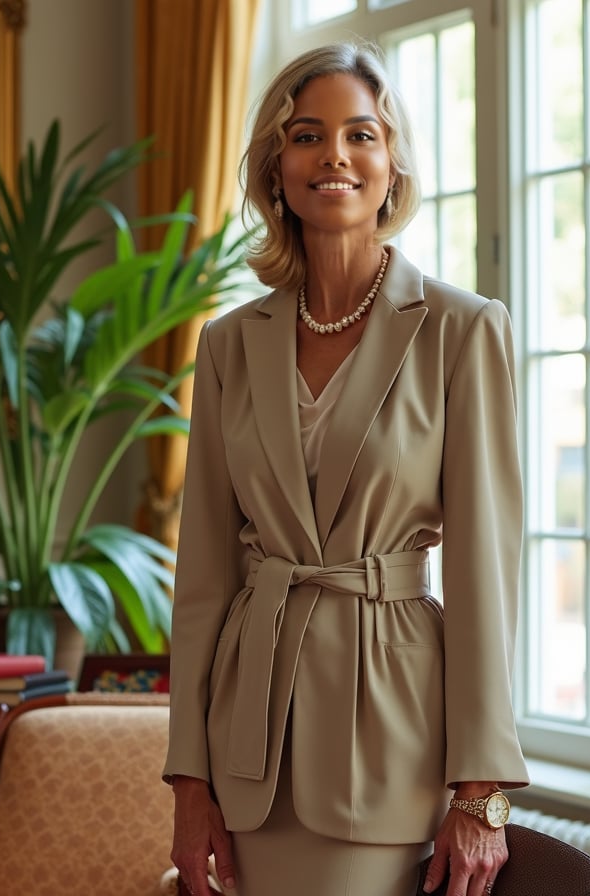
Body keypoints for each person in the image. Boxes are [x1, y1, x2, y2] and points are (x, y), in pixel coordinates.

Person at [163, 40, 529, 896]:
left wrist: (483, 797)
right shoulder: (227, 345)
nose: (335, 155)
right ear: (276, 168)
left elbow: (486, 573)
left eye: (361, 134)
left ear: (392, 164)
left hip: (391, 734)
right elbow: (205, 578)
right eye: (307, 135)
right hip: (246, 750)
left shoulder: (462, 330)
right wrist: (189, 780)